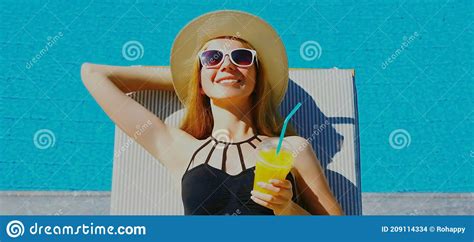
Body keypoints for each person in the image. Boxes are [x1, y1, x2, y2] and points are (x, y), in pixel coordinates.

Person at [81, 10, 343, 215]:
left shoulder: (290, 148)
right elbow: (93, 73)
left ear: (257, 77)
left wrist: (287, 209)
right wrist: (192, 79)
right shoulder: (177, 147)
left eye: (241, 58)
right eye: (212, 58)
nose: (227, 65)